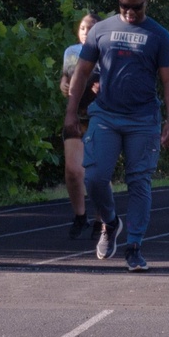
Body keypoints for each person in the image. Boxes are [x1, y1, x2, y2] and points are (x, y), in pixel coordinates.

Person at [64, 0, 169, 271]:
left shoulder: (159, 36)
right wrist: (71, 112)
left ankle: (135, 245)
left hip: (143, 119)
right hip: (105, 115)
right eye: (125, 6)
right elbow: (81, 73)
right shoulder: (101, 30)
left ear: (146, 2)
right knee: (94, 177)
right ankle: (110, 222)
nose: (130, 12)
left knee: (139, 181)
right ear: (118, 2)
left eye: (136, 7)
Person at [61, 13, 101, 239]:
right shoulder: (70, 52)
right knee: (74, 171)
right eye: (83, 27)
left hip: (100, 117)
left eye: (92, 27)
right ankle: (80, 216)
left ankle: (100, 219)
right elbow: (64, 79)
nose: (86, 32)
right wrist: (64, 85)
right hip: (75, 116)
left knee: (96, 173)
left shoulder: (107, 52)